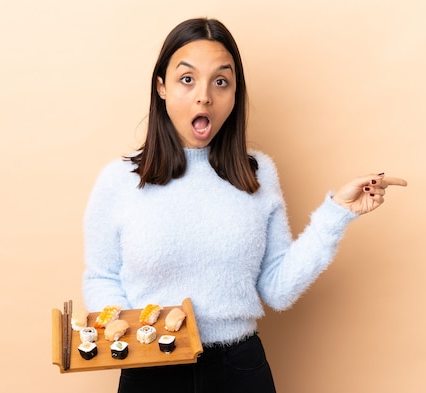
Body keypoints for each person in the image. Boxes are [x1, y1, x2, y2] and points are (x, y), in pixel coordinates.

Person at [82, 17, 407, 393]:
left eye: (221, 81)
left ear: (235, 94)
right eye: (187, 79)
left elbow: (277, 289)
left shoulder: (258, 173)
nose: (204, 96)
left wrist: (337, 214)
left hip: (240, 371)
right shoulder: (118, 180)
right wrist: (133, 337)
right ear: (161, 87)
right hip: (151, 369)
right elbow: (102, 277)